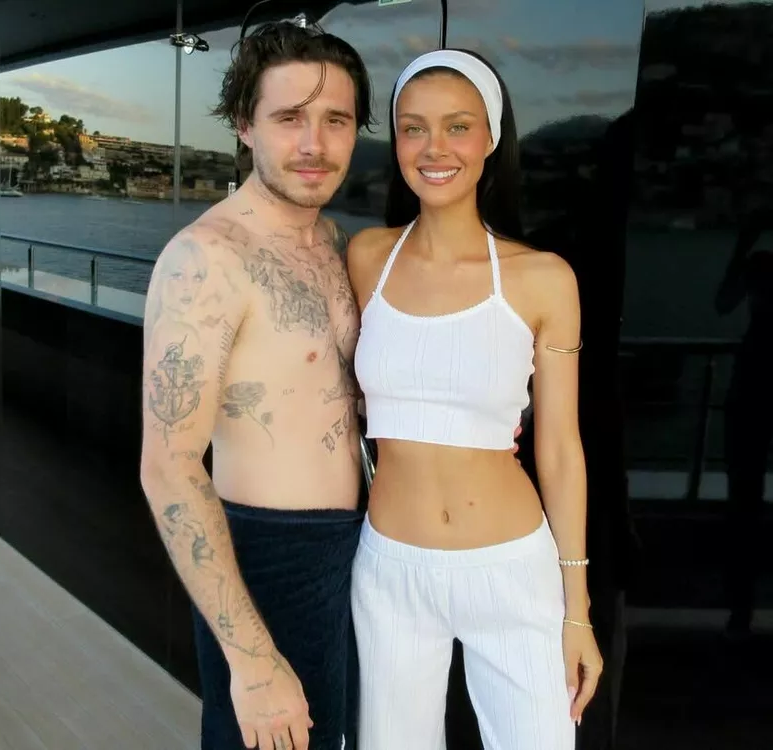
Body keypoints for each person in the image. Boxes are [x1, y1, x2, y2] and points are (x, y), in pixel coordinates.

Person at [346, 48, 605, 749]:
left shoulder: (544, 278)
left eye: (458, 126)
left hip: (509, 568)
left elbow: (560, 448)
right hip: (389, 571)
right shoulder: (366, 258)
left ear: (490, 138)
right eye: (413, 127)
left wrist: (577, 609)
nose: (434, 148)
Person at [138, 20, 373, 750]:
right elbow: (169, 467)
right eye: (289, 118)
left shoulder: (333, 243)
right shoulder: (206, 259)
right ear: (245, 126)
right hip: (268, 556)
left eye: (336, 120)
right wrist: (251, 659)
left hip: (353, 547)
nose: (314, 143)